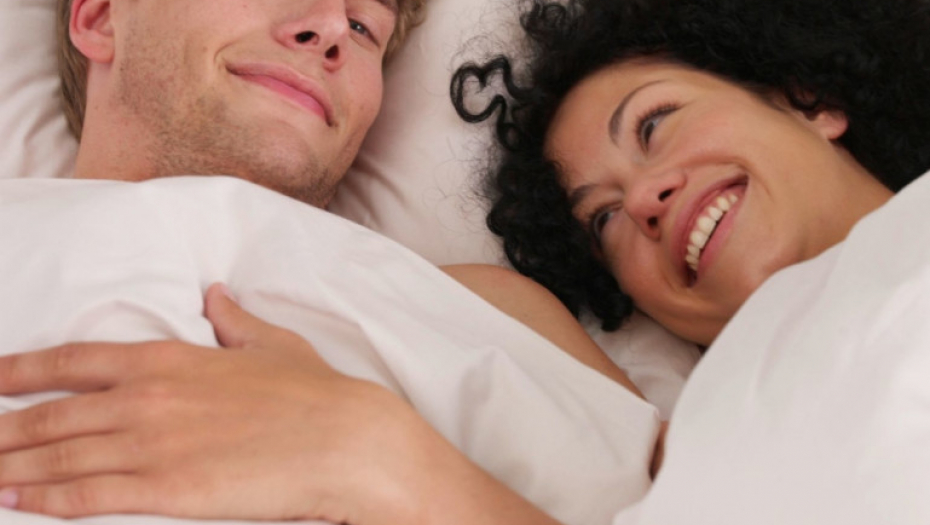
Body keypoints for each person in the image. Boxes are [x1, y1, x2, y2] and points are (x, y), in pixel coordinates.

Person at [0, 1, 653, 524]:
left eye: (364, 25)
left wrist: (380, 460)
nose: (332, 29)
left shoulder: (489, 314)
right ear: (100, 16)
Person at [451, 0, 930, 346]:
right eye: (604, 220)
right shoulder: (701, 447)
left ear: (807, 101)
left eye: (653, 125)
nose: (640, 200)